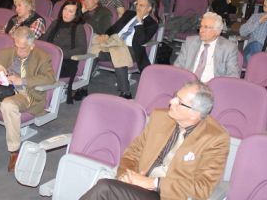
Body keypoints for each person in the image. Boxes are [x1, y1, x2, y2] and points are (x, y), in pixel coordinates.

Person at [80, 81, 229, 200]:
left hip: (169, 195)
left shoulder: (215, 138)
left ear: (194, 113)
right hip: (139, 186)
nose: (171, 101)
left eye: (179, 101)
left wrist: (153, 183)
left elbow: (202, 187)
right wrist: (127, 175)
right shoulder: (160, 117)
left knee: (105, 189)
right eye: (175, 96)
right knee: (106, 189)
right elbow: (133, 153)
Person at [0, 27, 55, 172]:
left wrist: (23, 81)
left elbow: (49, 78)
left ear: (32, 46)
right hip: (2, 91)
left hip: (25, 94)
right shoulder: (7, 53)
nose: (18, 51)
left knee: (9, 105)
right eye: (16, 46)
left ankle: (14, 152)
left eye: (23, 48)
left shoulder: (42, 57)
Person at [89, 0, 158, 99]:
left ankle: (126, 92)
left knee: (119, 56)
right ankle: (82, 85)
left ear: (149, 8)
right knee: (94, 52)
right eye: (137, 4)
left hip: (130, 49)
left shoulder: (152, 24)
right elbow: (114, 28)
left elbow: (141, 41)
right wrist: (107, 35)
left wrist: (139, 22)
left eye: (141, 5)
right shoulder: (129, 14)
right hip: (114, 43)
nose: (138, 7)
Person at [41, 0, 87, 104]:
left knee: (36, 69)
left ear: (76, 14)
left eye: (70, 11)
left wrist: (59, 54)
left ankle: (40, 99)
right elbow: (44, 40)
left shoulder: (78, 27)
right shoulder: (55, 23)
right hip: (48, 59)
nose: (66, 13)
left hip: (65, 63)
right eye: (65, 9)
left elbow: (82, 49)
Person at [173, 12, 240, 81]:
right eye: (201, 26)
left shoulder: (228, 48)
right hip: (188, 83)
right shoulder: (190, 42)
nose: (201, 30)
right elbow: (178, 66)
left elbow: (233, 75)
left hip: (212, 85)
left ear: (217, 31)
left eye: (206, 27)